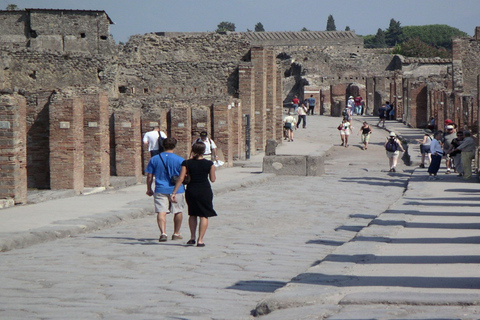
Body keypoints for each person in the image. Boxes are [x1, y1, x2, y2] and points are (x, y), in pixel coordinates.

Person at [172, 142, 217, 247]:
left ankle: (192, 237)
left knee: (192, 214)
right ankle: (200, 240)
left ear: (193, 150)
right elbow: (213, 179)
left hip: (191, 190)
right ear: (204, 151)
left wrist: (174, 192)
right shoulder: (209, 164)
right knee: (204, 215)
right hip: (204, 190)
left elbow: (181, 178)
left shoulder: (186, 163)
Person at [145, 137, 186, 242]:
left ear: (163, 145)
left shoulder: (154, 159)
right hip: (177, 189)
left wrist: (149, 188)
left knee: (161, 211)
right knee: (178, 211)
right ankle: (176, 233)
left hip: (160, 188)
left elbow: (149, 176)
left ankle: (163, 233)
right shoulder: (180, 160)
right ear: (175, 146)